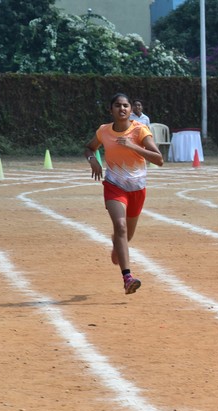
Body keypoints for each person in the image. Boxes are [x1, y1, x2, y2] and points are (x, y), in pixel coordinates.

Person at [84, 92, 164, 294]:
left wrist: (133, 146)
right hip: (114, 185)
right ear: (111, 110)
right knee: (120, 227)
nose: (122, 108)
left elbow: (159, 159)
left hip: (137, 189)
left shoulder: (140, 130)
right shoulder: (104, 131)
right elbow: (89, 148)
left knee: (127, 234)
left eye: (125, 105)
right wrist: (93, 160)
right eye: (118, 105)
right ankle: (127, 278)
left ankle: (117, 246)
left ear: (130, 109)